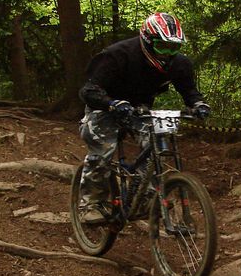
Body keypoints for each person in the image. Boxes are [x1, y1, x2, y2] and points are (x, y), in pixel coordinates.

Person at [77, 12, 211, 223]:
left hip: (141, 109)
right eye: (163, 47)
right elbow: (88, 90)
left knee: (156, 145)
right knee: (103, 149)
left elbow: (189, 91)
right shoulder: (117, 55)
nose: (168, 54)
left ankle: (145, 194)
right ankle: (90, 204)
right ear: (147, 41)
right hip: (104, 106)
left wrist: (198, 105)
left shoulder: (179, 64)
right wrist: (112, 103)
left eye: (174, 47)